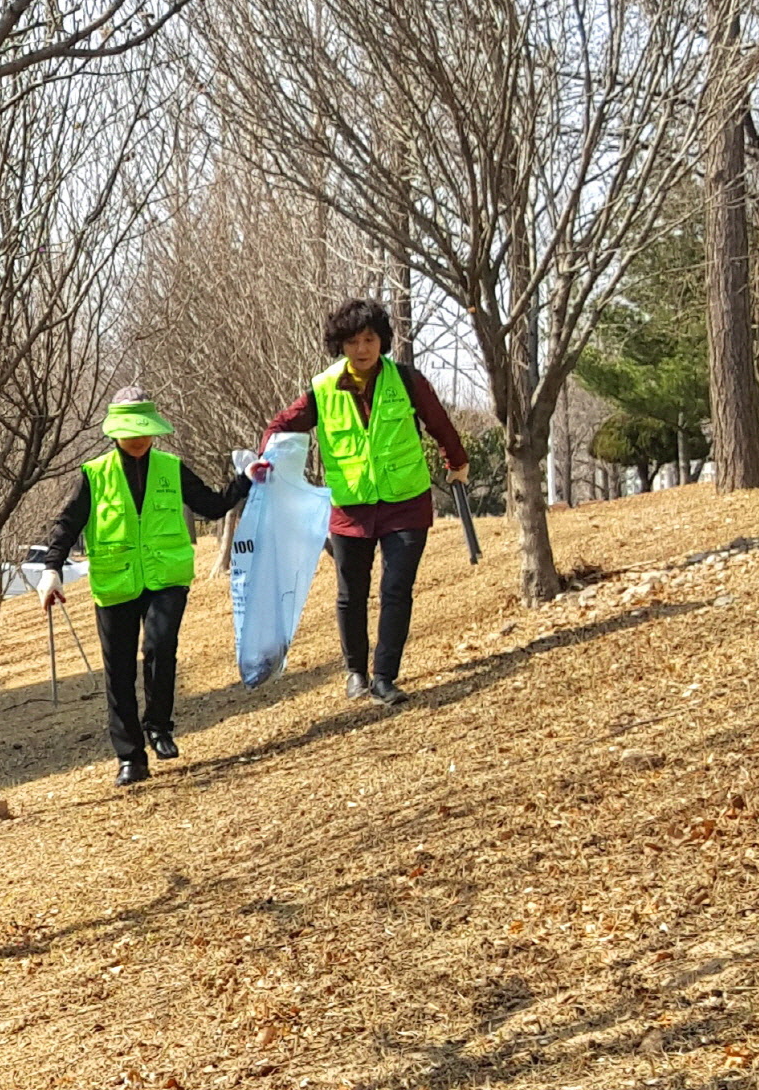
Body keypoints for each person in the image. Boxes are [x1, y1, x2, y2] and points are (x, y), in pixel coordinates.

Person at [260, 297, 468, 707]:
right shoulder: (322, 389)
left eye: (370, 339)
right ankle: (355, 671)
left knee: (396, 588)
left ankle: (384, 676)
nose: (362, 349)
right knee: (350, 593)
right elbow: (281, 425)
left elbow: (439, 422)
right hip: (349, 507)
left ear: (382, 341)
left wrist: (456, 462)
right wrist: (268, 461)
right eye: (353, 341)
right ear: (341, 345)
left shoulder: (407, 380)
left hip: (405, 500)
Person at [38, 391, 248, 787]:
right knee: (118, 671)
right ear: (114, 433)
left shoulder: (172, 468)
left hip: (165, 578)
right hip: (116, 582)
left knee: (160, 645)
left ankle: (159, 726)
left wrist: (246, 482)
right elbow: (66, 525)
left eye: (144, 432)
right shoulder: (93, 475)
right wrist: (51, 570)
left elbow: (212, 506)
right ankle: (130, 757)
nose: (138, 440)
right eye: (129, 432)